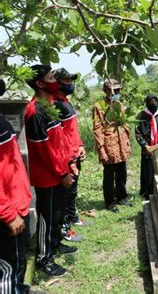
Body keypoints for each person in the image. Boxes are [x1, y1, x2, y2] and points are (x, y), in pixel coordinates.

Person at [25, 65, 78, 277]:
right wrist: (61, 172)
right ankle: (43, 259)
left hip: (59, 171)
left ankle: (55, 245)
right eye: (50, 78)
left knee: (57, 213)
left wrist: (69, 163)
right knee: (47, 216)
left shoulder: (49, 106)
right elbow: (45, 150)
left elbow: (60, 141)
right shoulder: (35, 110)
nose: (56, 81)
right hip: (48, 176)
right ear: (39, 83)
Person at [0, 78, 32, 293]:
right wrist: (8, 213)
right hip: (8, 211)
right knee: (8, 269)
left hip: (17, 202)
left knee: (18, 261)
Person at [53, 68, 89, 243]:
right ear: (56, 83)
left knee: (72, 192)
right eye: (66, 81)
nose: (70, 84)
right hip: (67, 159)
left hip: (75, 154)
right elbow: (59, 139)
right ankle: (65, 229)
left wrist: (80, 145)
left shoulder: (66, 102)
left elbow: (72, 131)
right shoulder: (55, 106)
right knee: (65, 195)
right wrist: (70, 161)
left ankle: (72, 217)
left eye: (70, 81)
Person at [92, 78, 132, 213]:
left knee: (122, 173)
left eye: (119, 90)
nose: (117, 92)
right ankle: (110, 202)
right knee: (109, 175)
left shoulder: (119, 104)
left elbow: (124, 123)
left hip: (121, 143)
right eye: (114, 90)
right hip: (109, 145)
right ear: (106, 91)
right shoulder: (99, 106)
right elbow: (97, 129)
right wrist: (101, 149)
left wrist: (127, 142)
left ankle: (122, 197)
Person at [135, 94, 158, 199]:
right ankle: (147, 193)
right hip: (147, 148)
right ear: (147, 103)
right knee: (147, 171)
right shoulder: (141, 116)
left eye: (155, 101)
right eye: (151, 102)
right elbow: (138, 133)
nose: (153, 104)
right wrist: (145, 145)